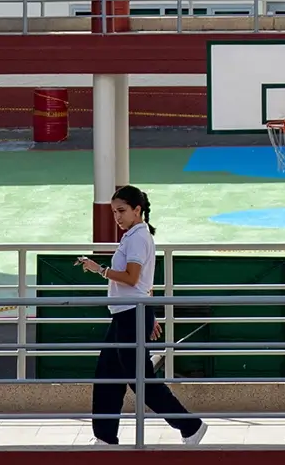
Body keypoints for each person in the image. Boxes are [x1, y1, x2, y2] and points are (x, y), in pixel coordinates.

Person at [78, 185, 206, 446]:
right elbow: (143, 283)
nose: (117, 217)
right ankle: (105, 437)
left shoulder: (137, 237)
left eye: (122, 211)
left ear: (138, 210)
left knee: (140, 380)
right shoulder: (136, 235)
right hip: (129, 314)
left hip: (130, 315)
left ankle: (190, 425)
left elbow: (131, 277)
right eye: (114, 212)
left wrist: (98, 270)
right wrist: (149, 313)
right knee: (107, 377)